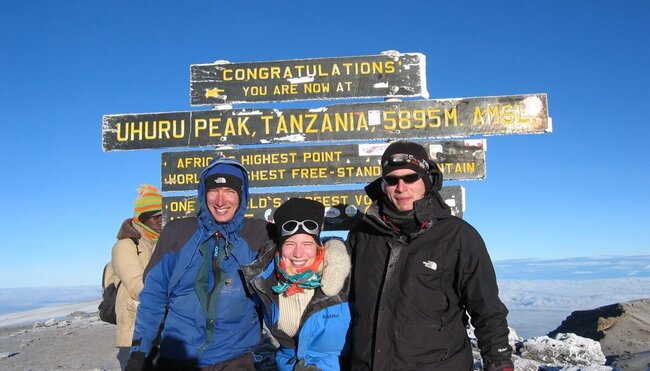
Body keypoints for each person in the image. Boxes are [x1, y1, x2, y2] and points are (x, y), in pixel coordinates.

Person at [347, 140, 514, 371]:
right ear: (383, 184)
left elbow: (487, 310)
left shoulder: (458, 236)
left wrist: (499, 363)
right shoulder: (362, 236)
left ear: (426, 179)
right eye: (392, 180)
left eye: (410, 178)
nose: (401, 187)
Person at [125, 156, 272, 371]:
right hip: (177, 356)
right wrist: (139, 354)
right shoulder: (178, 233)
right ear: (204, 194)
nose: (221, 200)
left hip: (236, 358)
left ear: (242, 195)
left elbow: (300, 253)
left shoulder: (257, 234)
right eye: (214, 191)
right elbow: (153, 297)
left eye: (230, 191)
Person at [243, 198, 351, 370]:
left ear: (318, 246)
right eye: (290, 244)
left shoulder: (345, 277)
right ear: (280, 246)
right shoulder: (264, 280)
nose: (298, 253)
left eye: (307, 244)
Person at [111, 184, 163, 370]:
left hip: (161, 334)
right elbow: (137, 287)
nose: (160, 220)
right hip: (134, 335)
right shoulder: (125, 246)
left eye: (162, 215)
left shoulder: (161, 242)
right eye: (154, 216)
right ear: (141, 218)